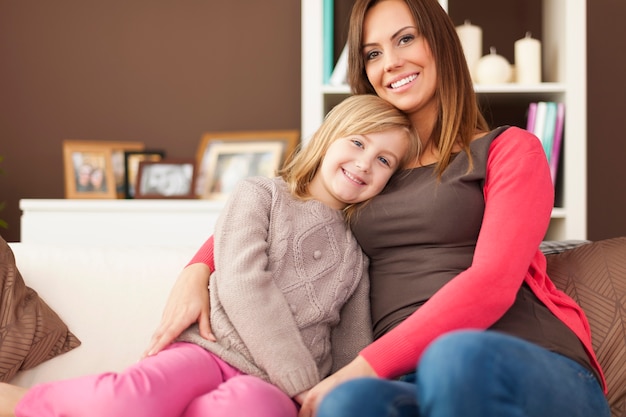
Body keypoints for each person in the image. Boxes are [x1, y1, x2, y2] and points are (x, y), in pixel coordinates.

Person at [140, 1, 612, 416]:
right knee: (347, 404)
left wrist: (363, 367)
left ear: (442, 43)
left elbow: (492, 284)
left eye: (405, 38)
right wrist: (196, 270)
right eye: (372, 53)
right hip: (407, 378)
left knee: (452, 359)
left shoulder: (511, 150)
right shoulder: (369, 170)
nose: (391, 62)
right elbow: (280, 207)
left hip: (523, 358)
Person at [0, 94, 420, 417]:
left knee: (249, 410)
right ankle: (22, 404)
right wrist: (301, 379)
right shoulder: (262, 195)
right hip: (209, 350)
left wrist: (323, 398)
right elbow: (241, 282)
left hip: (272, 390)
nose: (364, 163)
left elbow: (351, 342)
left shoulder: (355, 256)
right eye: (358, 143)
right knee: (127, 400)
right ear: (329, 138)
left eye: (383, 160)